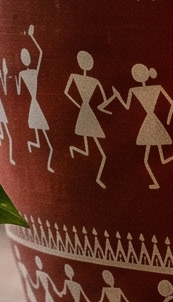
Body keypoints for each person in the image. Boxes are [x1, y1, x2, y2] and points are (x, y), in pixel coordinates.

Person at [64, 50, 110, 187]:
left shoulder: (89, 80)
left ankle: (74, 149)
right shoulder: (89, 80)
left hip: (86, 113)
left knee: (88, 149)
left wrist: (81, 104)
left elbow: (68, 92)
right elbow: (103, 101)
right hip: (87, 114)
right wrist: (83, 104)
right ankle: (97, 179)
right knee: (101, 153)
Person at [17, 27, 55, 171]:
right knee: (43, 138)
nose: (26, 58)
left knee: (41, 137)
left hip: (34, 106)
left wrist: (33, 37)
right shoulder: (28, 73)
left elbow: (40, 54)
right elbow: (19, 93)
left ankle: (34, 148)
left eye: (26, 56)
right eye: (24, 56)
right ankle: (41, 157)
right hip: (34, 106)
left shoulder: (26, 73)